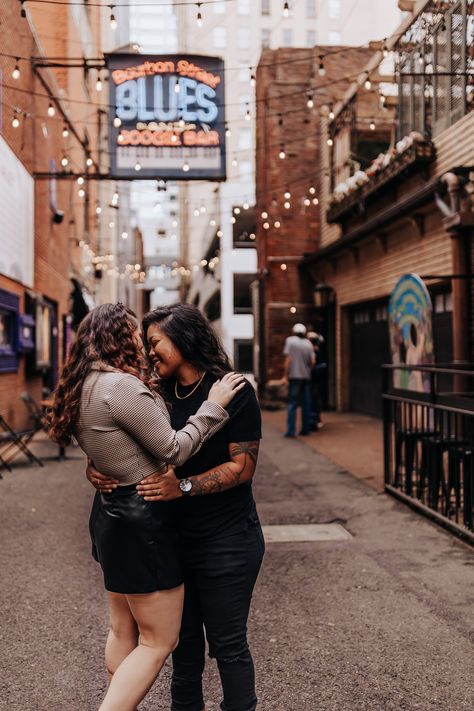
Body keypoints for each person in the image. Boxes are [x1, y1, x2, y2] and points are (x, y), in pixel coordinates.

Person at [48, 303, 244, 711]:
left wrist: (94, 466)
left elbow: (106, 445)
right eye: (136, 334)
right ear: (120, 336)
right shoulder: (121, 387)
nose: (142, 342)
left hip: (110, 512)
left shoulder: (83, 384)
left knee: (122, 630)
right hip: (144, 517)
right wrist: (215, 405)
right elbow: (172, 449)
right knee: (159, 641)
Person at [281, 323, 315, 437]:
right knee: (306, 404)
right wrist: (306, 369)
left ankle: (291, 431)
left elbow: (288, 359)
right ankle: (305, 429)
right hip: (306, 377)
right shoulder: (308, 343)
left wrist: (285, 376)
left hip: (294, 377)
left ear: (294, 331)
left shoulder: (290, 341)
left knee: (293, 404)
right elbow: (312, 362)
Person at [307, 331, 326, 431]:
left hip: (314, 379)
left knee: (314, 400)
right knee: (313, 400)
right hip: (312, 380)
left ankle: (314, 420)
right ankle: (313, 420)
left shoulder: (315, 351)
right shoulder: (312, 350)